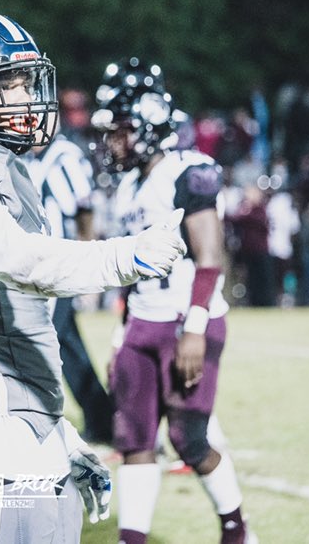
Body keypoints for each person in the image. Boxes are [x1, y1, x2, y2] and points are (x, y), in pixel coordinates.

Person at [0, 12, 188, 543]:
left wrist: (58, 435)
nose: (25, 96)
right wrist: (127, 256)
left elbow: (15, 325)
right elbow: (21, 261)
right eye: (7, 84)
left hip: (29, 431)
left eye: (24, 81)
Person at [91, 57, 256, 544]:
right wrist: (120, 337)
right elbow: (130, 273)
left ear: (147, 125)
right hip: (142, 323)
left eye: (121, 131)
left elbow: (210, 257)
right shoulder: (127, 186)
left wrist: (195, 328)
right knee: (134, 441)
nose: (112, 142)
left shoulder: (189, 172)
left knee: (189, 440)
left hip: (187, 321)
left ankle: (236, 530)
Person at [23, 125, 114, 445]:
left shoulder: (65, 156)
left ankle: (35, 419)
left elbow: (84, 207)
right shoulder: (26, 158)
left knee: (42, 338)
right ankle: (102, 417)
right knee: (67, 344)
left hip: (60, 263)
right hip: (37, 266)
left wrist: (85, 257)